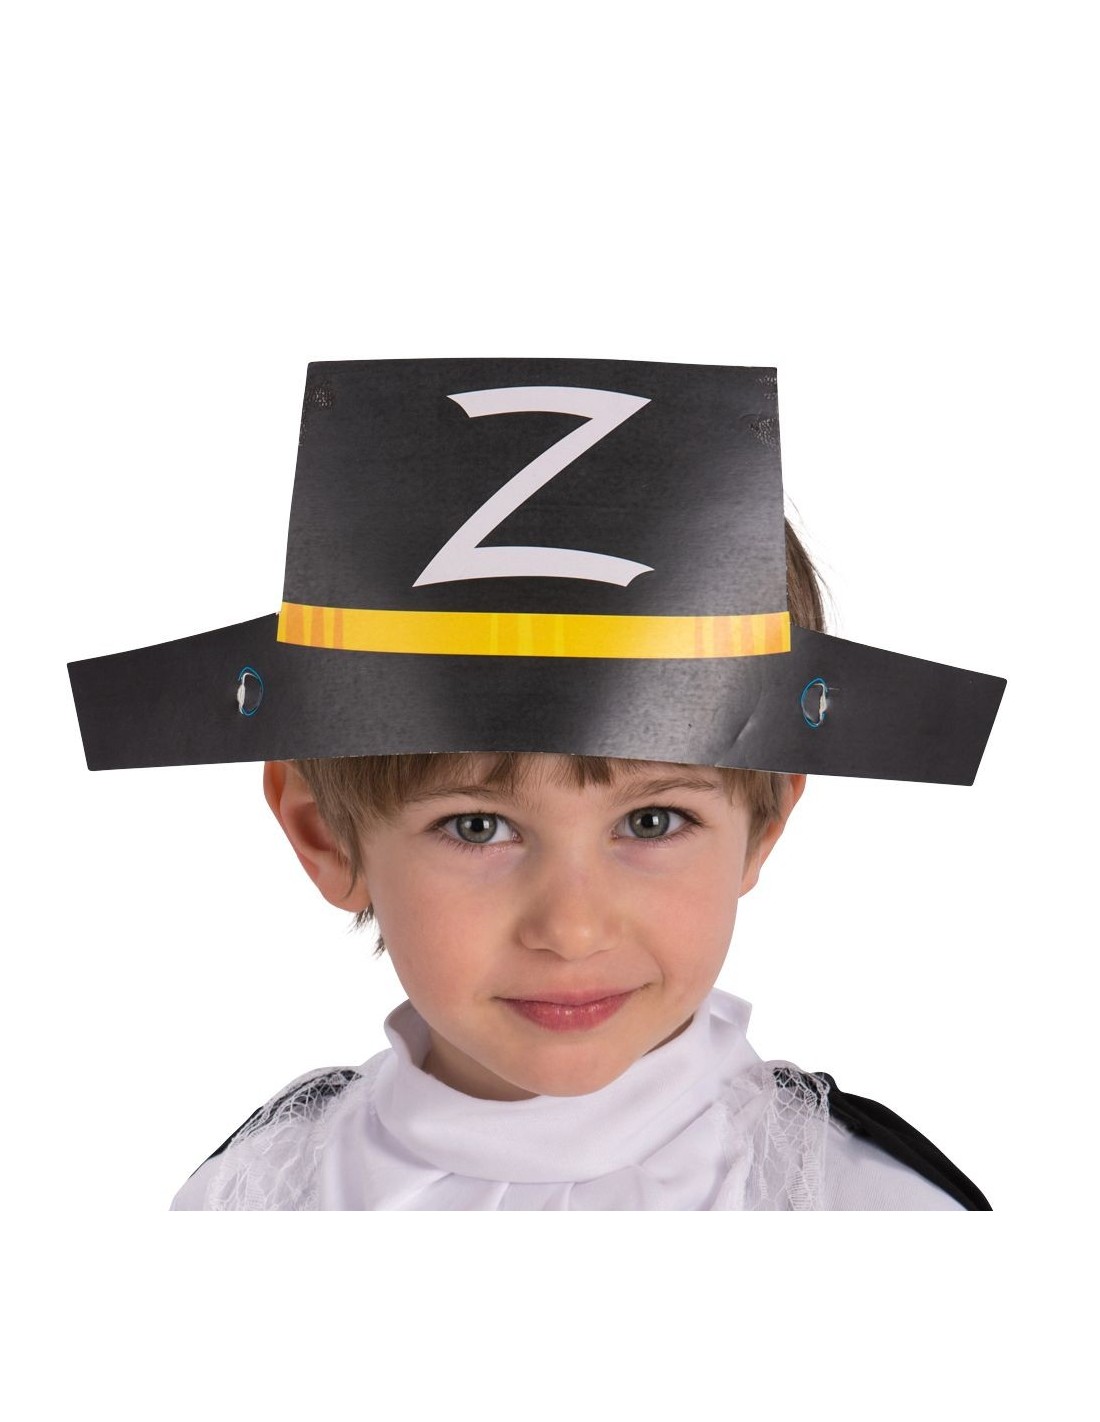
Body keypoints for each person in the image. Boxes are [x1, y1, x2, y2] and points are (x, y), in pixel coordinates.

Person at [68, 357, 1005, 1210]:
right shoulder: (248, 1203)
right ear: (325, 836)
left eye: (652, 819)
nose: (573, 929)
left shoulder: (867, 1210)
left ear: (762, 828)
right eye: (478, 826)